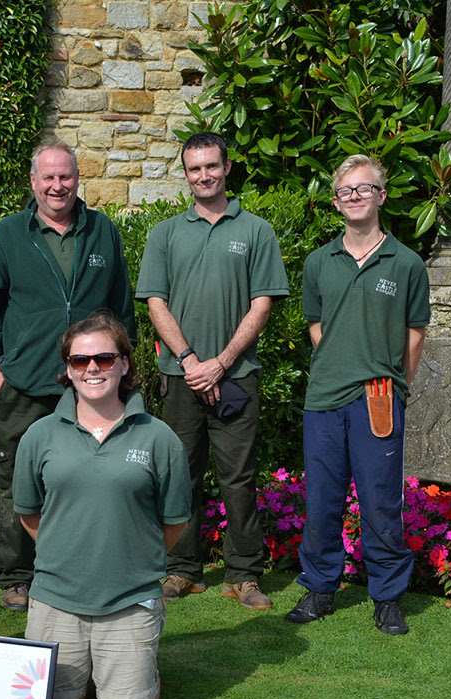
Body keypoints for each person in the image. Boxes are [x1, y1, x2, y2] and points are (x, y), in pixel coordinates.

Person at [0, 140, 136, 612]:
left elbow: (120, 307)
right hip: (23, 382)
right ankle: (17, 575)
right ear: (33, 182)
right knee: (18, 479)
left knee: (94, 478)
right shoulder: (8, 234)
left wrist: (121, 367)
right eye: (48, 177)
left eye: (65, 177)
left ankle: (91, 565)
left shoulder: (101, 231)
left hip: (92, 381)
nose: (57, 186)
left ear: (77, 179)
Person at [14, 311, 190, 699]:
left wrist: (130, 558)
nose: (92, 368)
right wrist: (65, 551)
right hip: (58, 595)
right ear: (68, 369)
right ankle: (92, 680)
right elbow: (29, 513)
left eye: (105, 359)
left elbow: (173, 521)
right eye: (80, 361)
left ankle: (134, 674)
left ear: (125, 364)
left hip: (128, 597)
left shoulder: (158, 437)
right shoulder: (39, 435)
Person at [135, 132, 290, 609]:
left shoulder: (256, 231)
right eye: (194, 168)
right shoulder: (165, 233)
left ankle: (244, 574)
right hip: (180, 376)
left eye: (211, 166)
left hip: (237, 376)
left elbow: (262, 302)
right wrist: (189, 361)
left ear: (227, 168)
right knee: (179, 474)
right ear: (186, 174)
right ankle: (183, 569)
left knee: (238, 476)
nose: (203, 175)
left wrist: (221, 363)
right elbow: (155, 302)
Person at [285, 155, 429, 635]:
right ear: (335, 200)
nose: (355, 196)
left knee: (380, 501)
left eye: (364, 188)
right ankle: (321, 589)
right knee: (323, 500)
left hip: (379, 396)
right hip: (325, 397)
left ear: (381, 196)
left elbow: (414, 333)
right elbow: (316, 325)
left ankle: (387, 597)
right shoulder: (318, 262)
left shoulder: (406, 263)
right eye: (346, 190)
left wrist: (394, 381)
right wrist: (340, 362)